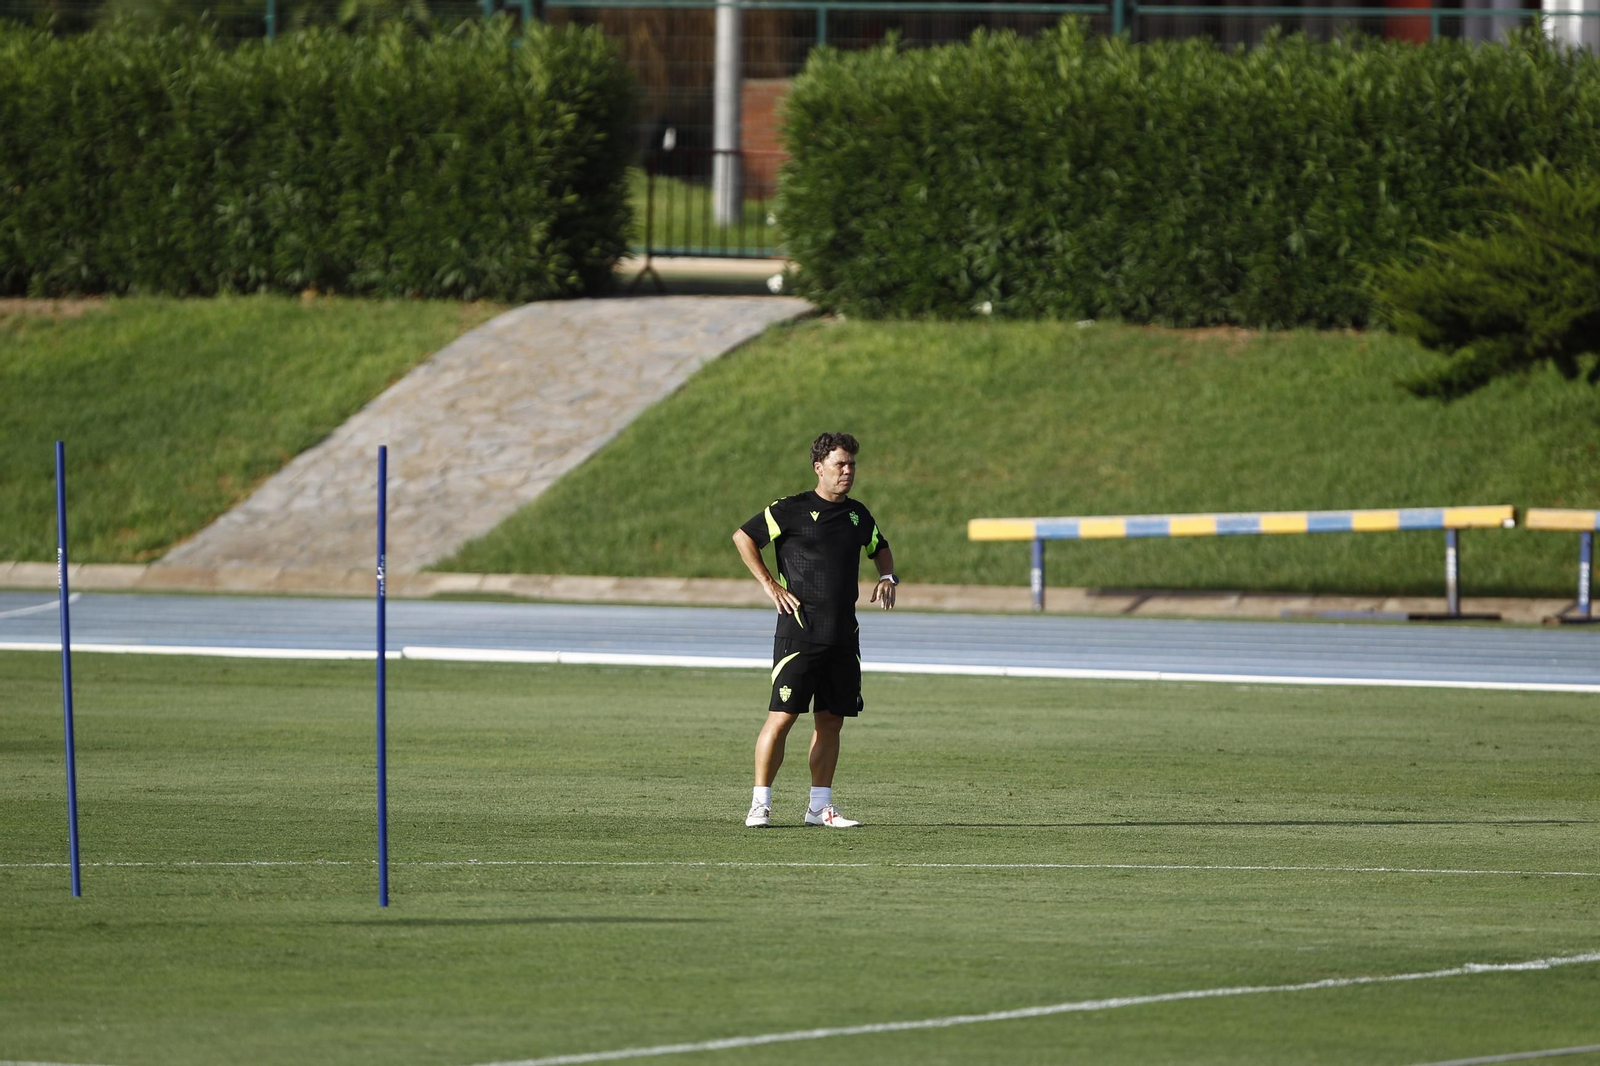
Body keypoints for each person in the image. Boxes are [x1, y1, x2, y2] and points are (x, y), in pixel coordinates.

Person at [732, 431, 897, 829]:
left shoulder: (858, 515)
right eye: (840, 464)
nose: (848, 471)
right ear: (819, 468)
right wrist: (770, 584)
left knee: (831, 720)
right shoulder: (790, 509)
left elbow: (880, 546)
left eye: (852, 464)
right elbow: (743, 537)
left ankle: (819, 807)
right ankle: (760, 804)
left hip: (843, 635)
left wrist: (888, 575)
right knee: (782, 717)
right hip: (799, 632)